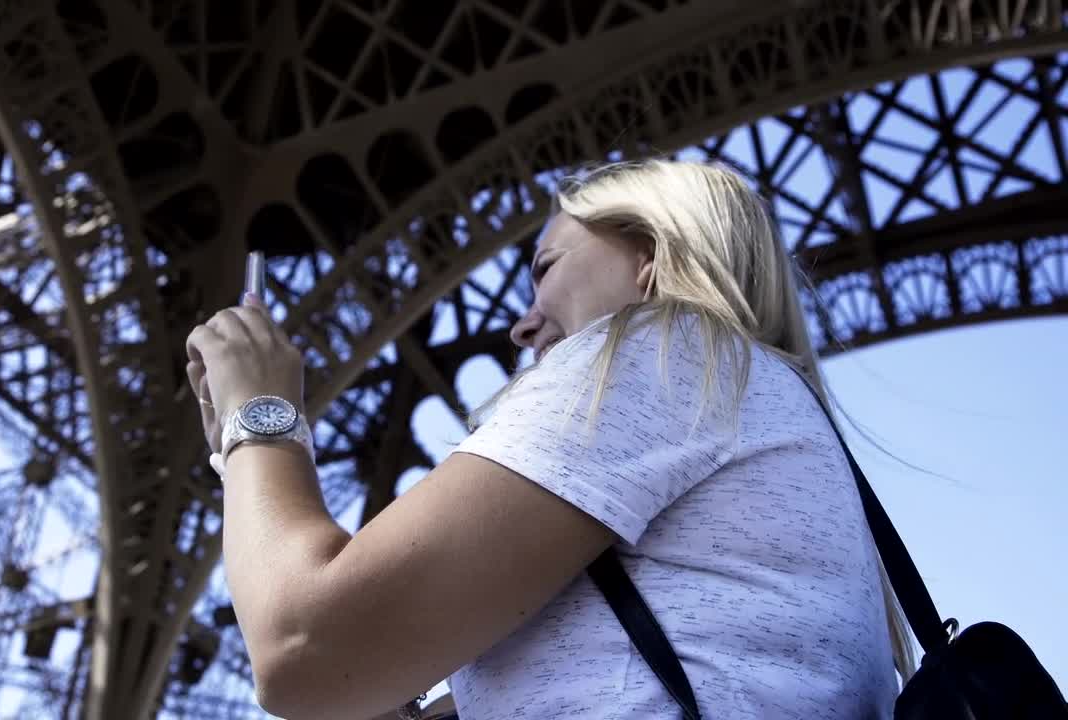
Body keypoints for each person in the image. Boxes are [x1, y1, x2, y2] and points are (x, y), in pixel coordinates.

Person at [186, 159, 911, 720]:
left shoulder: (663, 351)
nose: (521, 323)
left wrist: (258, 414)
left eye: (546, 268)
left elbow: (303, 644)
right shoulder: (754, 401)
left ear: (650, 253)